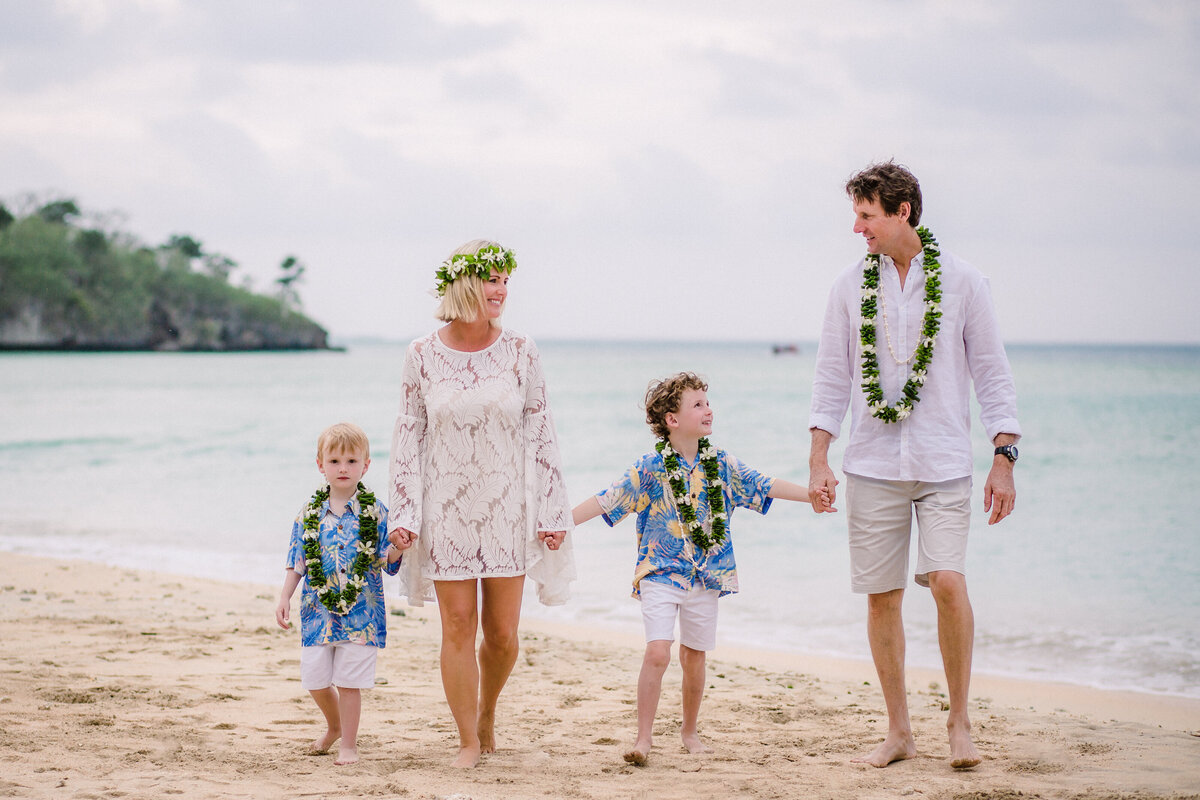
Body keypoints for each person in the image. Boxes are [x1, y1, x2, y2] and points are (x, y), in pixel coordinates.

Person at [807, 161, 1021, 769]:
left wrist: (1004, 459)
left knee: (948, 583)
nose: (857, 227)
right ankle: (899, 730)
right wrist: (821, 458)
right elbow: (831, 379)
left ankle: (959, 720)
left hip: (944, 461)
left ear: (902, 211)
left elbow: (993, 376)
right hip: (871, 463)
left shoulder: (964, 282)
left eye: (866, 215)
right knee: (882, 597)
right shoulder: (849, 287)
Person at [573, 372, 832, 766]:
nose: (708, 410)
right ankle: (643, 739)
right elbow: (607, 500)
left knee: (694, 657)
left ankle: (689, 731)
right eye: (697, 404)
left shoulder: (721, 464)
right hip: (660, 572)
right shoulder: (649, 467)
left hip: (706, 576)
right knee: (658, 652)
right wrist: (560, 524)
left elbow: (763, 483)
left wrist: (810, 495)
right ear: (672, 420)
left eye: (707, 403)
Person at [387, 239, 575, 768]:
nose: (502, 290)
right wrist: (403, 514)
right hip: (444, 511)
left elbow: (542, 431)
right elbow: (408, 436)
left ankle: (487, 710)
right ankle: (469, 738)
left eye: (506, 281)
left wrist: (552, 510)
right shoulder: (421, 354)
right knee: (457, 627)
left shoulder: (521, 351)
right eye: (493, 279)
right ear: (466, 282)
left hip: (507, 511)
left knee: (503, 635)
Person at [275, 422, 406, 766]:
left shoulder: (376, 512)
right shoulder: (309, 512)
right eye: (334, 461)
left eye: (351, 460)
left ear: (366, 465)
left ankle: (348, 744)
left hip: (362, 613)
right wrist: (285, 596)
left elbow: (386, 559)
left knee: (350, 683)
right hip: (317, 612)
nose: (343, 468)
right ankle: (332, 727)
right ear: (320, 465)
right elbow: (298, 560)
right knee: (315, 679)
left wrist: (397, 547)